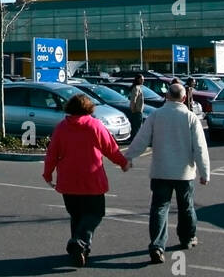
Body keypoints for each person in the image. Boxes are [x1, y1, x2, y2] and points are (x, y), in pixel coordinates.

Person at [126, 80, 211, 264]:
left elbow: (141, 140)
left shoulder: (156, 116)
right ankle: (187, 238)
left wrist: (128, 156)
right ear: (183, 97)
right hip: (184, 173)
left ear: (166, 96)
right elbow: (200, 148)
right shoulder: (190, 117)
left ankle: (157, 245)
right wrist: (205, 172)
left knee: (159, 208)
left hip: (161, 171)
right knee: (186, 207)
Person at [42, 93, 130, 267]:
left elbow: (51, 154)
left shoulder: (61, 127)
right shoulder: (95, 125)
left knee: (76, 215)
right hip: (91, 179)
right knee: (95, 213)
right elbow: (110, 148)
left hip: (68, 180)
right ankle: (80, 243)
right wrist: (123, 162)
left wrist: (48, 174)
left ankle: (80, 249)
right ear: (89, 108)